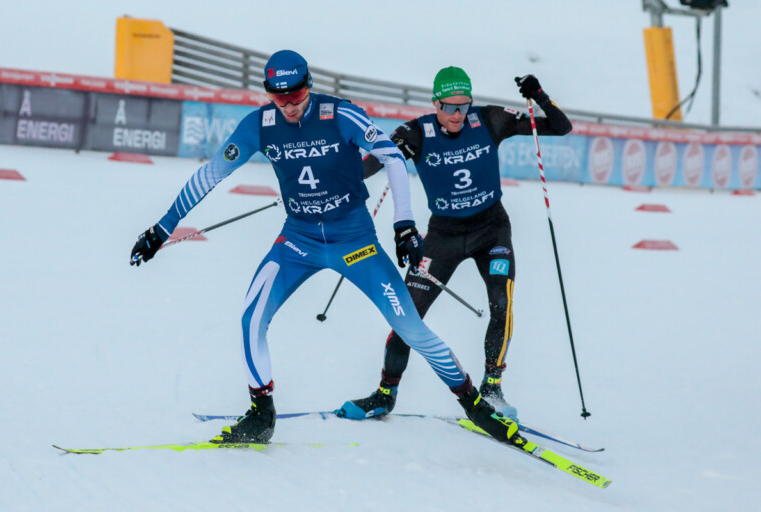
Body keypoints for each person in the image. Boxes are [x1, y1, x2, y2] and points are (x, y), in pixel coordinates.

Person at [130, 51, 526, 447]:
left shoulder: (339, 114)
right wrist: (162, 228)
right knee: (251, 321)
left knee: (411, 328)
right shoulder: (260, 125)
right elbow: (210, 174)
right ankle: (261, 414)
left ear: (309, 85)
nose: (288, 104)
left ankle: (475, 406)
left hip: (355, 243)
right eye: (278, 96)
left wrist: (404, 223)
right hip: (297, 242)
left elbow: (390, 156)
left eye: (296, 93)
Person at [337, 66, 572, 422]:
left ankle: (491, 389)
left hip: (491, 230)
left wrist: (539, 94)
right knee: (407, 315)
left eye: (464, 106)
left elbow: (560, 126)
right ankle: (385, 394)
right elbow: (370, 165)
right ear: (435, 103)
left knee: (500, 302)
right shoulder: (416, 132)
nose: (457, 115)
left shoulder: (490, 119)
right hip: (443, 236)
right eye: (449, 107)